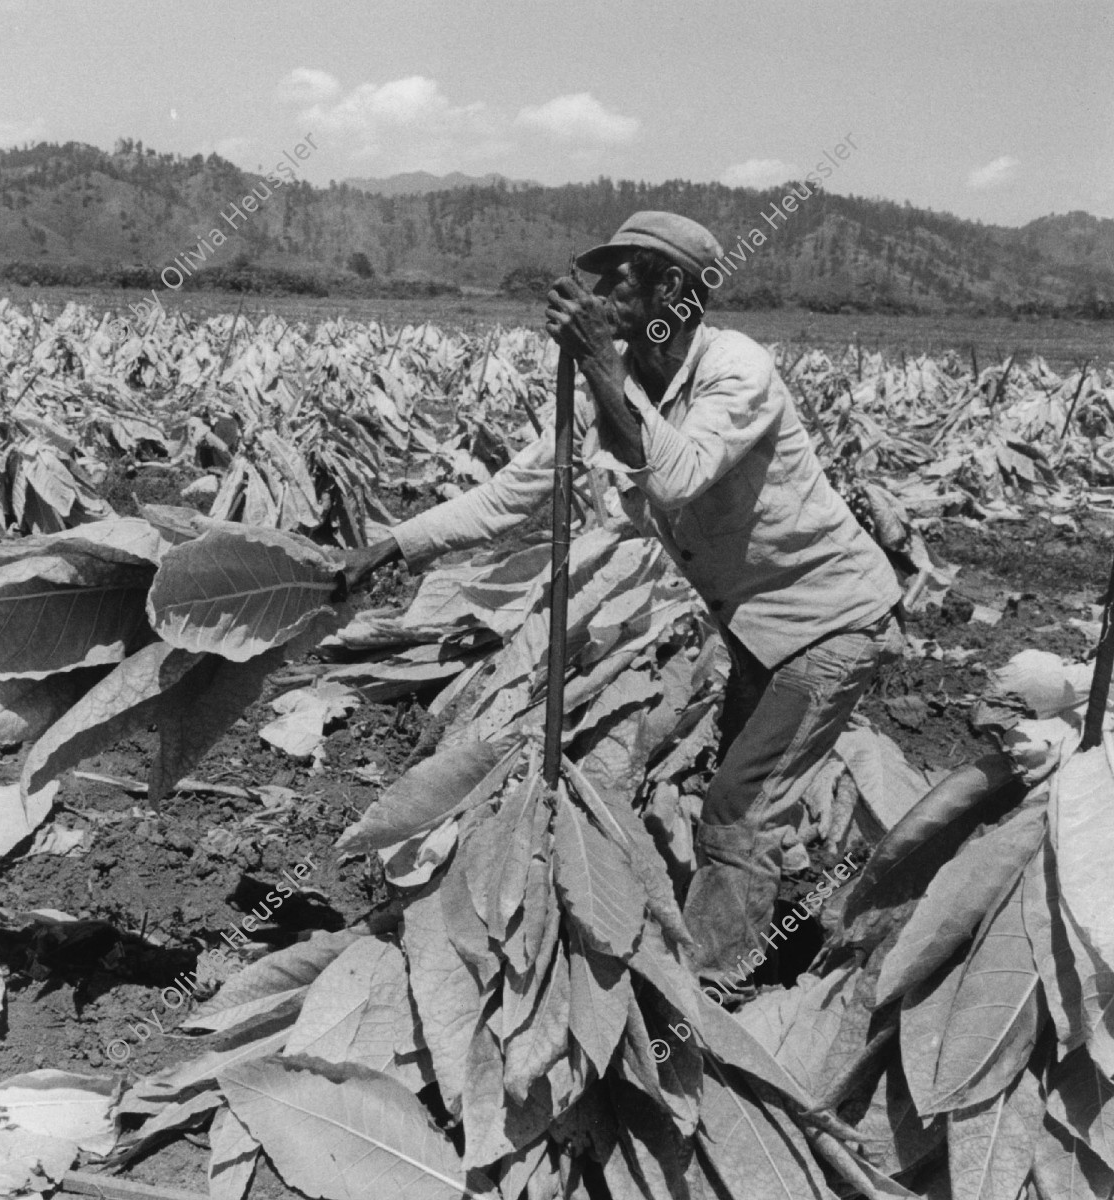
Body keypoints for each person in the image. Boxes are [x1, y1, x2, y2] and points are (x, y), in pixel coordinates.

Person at [343, 212, 899, 976]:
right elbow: (512, 496)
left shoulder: (735, 368)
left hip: (832, 623)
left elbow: (675, 474)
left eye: (619, 275)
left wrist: (600, 361)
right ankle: (767, 911)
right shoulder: (626, 387)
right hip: (754, 629)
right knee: (746, 788)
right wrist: (390, 547)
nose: (600, 290)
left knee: (740, 805)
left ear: (670, 286)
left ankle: (712, 986)